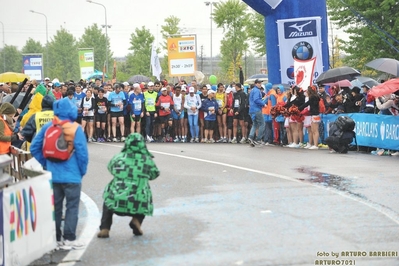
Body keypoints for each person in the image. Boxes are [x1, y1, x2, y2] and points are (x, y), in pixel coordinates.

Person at [30, 98, 88, 250]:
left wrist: (46, 163)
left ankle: (55, 239)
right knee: (72, 207)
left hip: (53, 174)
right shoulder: (75, 128)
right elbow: (82, 153)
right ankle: (69, 239)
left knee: (55, 208)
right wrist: (81, 171)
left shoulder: (49, 126)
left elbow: (34, 147)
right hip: (72, 175)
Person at [97, 133, 160, 238]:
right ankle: (137, 220)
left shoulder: (119, 157)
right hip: (137, 200)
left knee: (108, 198)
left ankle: (105, 228)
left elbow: (110, 167)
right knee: (145, 195)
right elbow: (155, 174)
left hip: (117, 198)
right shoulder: (147, 160)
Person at [248, 79, 267, 146]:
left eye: (260, 83)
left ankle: (250, 137)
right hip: (256, 109)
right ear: (255, 84)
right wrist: (263, 104)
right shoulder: (257, 91)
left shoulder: (252, 90)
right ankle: (258, 139)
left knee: (255, 124)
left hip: (251, 110)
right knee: (262, 124)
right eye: (258, 83)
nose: (260, 84)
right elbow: (256, 100)